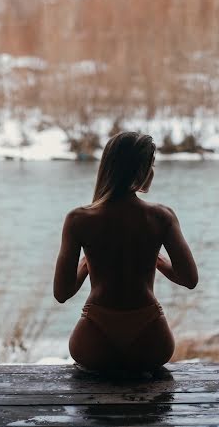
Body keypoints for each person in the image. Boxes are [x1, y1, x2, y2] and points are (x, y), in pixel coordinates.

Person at [53, 131, 198, 372]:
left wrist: (85, 264)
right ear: (142, 171)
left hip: (95, 333)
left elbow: (62, 292)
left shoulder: (78, 219)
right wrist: (157, 261)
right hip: (150, 333)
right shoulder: (162, 217)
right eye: (151, 165)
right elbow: (189, 279)